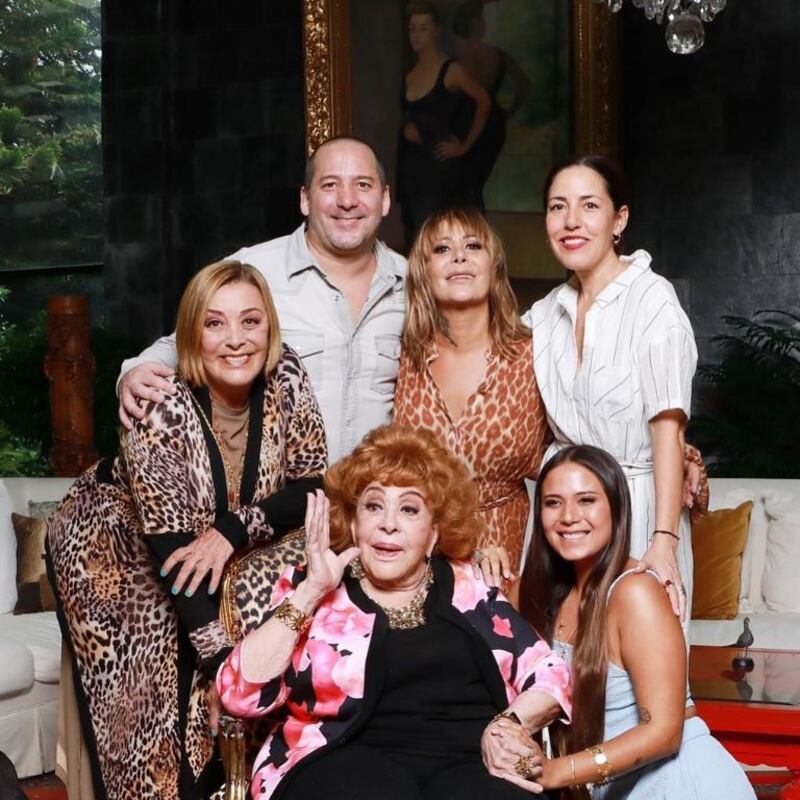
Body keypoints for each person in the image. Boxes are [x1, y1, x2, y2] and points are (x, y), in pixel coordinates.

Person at [48, 260, 328, 800]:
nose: (235, 339)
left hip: (210, 536)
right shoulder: (157, 406)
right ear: (190, 335)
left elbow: (312, 484)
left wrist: (232, 528)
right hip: (114, 544)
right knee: (153, 701)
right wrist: (229, 671)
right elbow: (177, 558)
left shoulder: (287, 373)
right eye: (214, 323)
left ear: (269, 327)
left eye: (250, 321)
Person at [217, 425, 572, 800]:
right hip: (339, 763)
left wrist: (508, 725)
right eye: (374, 506)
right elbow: (239, 694)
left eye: (409, 509)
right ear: (353, 522)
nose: (388, 524)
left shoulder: (469, 585)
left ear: (433, 533)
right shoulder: (312, 586)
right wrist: (310, 593)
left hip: (471, 765)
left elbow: (550, 673)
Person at [117, 136, 406, 464]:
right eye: (330, 185)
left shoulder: (413, 283)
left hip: (377, 490)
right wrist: (135, 372)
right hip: (283, 493)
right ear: (305, 199)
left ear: (384, 199)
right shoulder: (252, 271)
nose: (347, 201)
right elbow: (181, 343)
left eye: (363, 185)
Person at [519, 445, 755, 798]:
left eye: (586, 500)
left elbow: (664, 732)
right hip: (618, 786)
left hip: (678, 783)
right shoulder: (537, 594)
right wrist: (483, 556)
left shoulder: (635, 592)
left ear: (616, 508)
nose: (568, 516)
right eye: (553, 502)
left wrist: (558, 771)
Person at [523, 155, 700, 624]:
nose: (571, 221)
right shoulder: (544, 314)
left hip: (638, 512)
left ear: (618, 220)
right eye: (558, 207)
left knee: (639, 655)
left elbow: (668, 431)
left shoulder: (652, 301)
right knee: (553, 656)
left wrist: (664, 540)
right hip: (562, 521)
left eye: (589, 206)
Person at [394, 206, 548, 601]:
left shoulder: (533, 355)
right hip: (420, 558)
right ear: (423, 272)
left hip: (508, 556)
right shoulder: (404, 359)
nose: (459, 256)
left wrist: (677, 455)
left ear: (494, 266)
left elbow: (581, 434)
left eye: (473, 246)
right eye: (442, 249)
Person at [399, 1, 491, 241]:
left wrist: (464, 146)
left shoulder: (451, 69)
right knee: (417, 232)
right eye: (412, 29)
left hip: (441, 164)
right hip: (415, 164)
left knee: (438, 232)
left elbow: (484, 101)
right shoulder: (410, 75)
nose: (416, 35)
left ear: (436, 31)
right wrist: (408, 130)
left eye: (424, 28)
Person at [452, 0, 531, 205]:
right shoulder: (494, 55)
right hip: (490, 123)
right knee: (471, 185)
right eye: (481, 19)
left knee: (467, 185)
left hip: (467, 121)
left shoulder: (458, 59)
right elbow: (524, 85)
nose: (484, 23)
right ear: (474, 23)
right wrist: (507, 112)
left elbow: (523, 85)